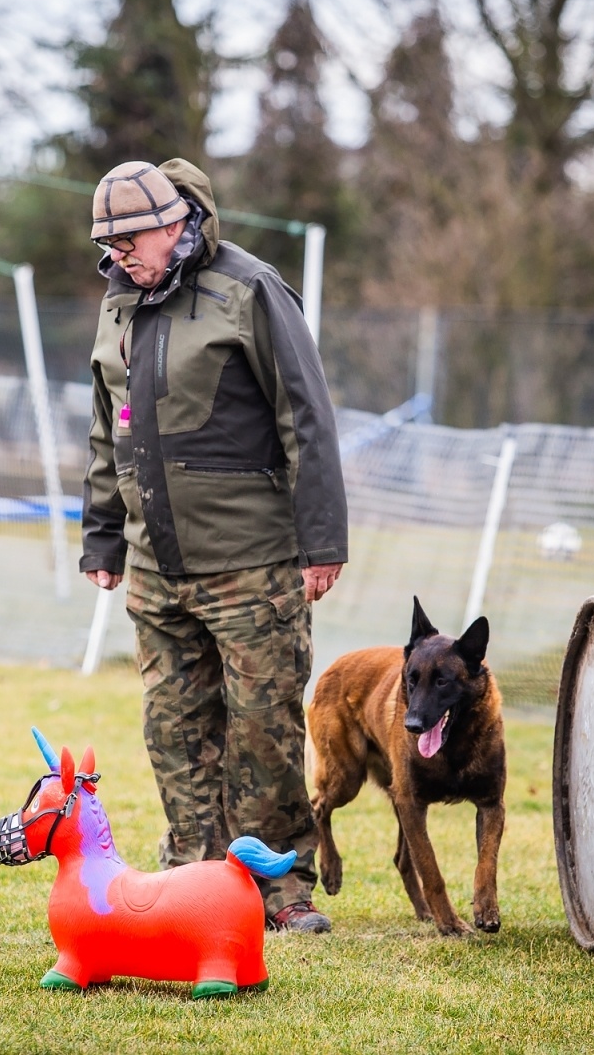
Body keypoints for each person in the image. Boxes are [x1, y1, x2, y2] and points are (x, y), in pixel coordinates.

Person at [79, 159, 348, 933]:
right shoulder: (117, 303)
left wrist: (321, 539)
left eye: (129, 238)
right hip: (154, 569)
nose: (118, 254)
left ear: (175, 222)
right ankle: (194, 882)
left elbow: (307, 416)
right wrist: (103, 535)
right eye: (106, 242)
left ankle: (280, 890)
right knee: (174, 729)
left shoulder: (250, 288)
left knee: (261, 732)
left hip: (253, 563)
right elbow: (108, 428)